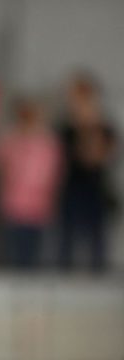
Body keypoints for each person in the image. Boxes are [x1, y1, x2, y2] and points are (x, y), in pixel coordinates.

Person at [57, 72, 118, 272]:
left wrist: (92, 128)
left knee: (97, 234)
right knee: (67, 234)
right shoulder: (66, 127)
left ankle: (98, 270)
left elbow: (104, 156)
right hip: (72, 185)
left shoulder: (103, 126)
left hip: (96, 187)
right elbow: (73, 155)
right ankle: (65, 271)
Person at [0, 97, 61, 268]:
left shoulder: (46, 143)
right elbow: (0, 166)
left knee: (34, 253)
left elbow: (52, 174)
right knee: (13, 252)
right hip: (14, 204)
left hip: (38, 206)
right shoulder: (11, 140)